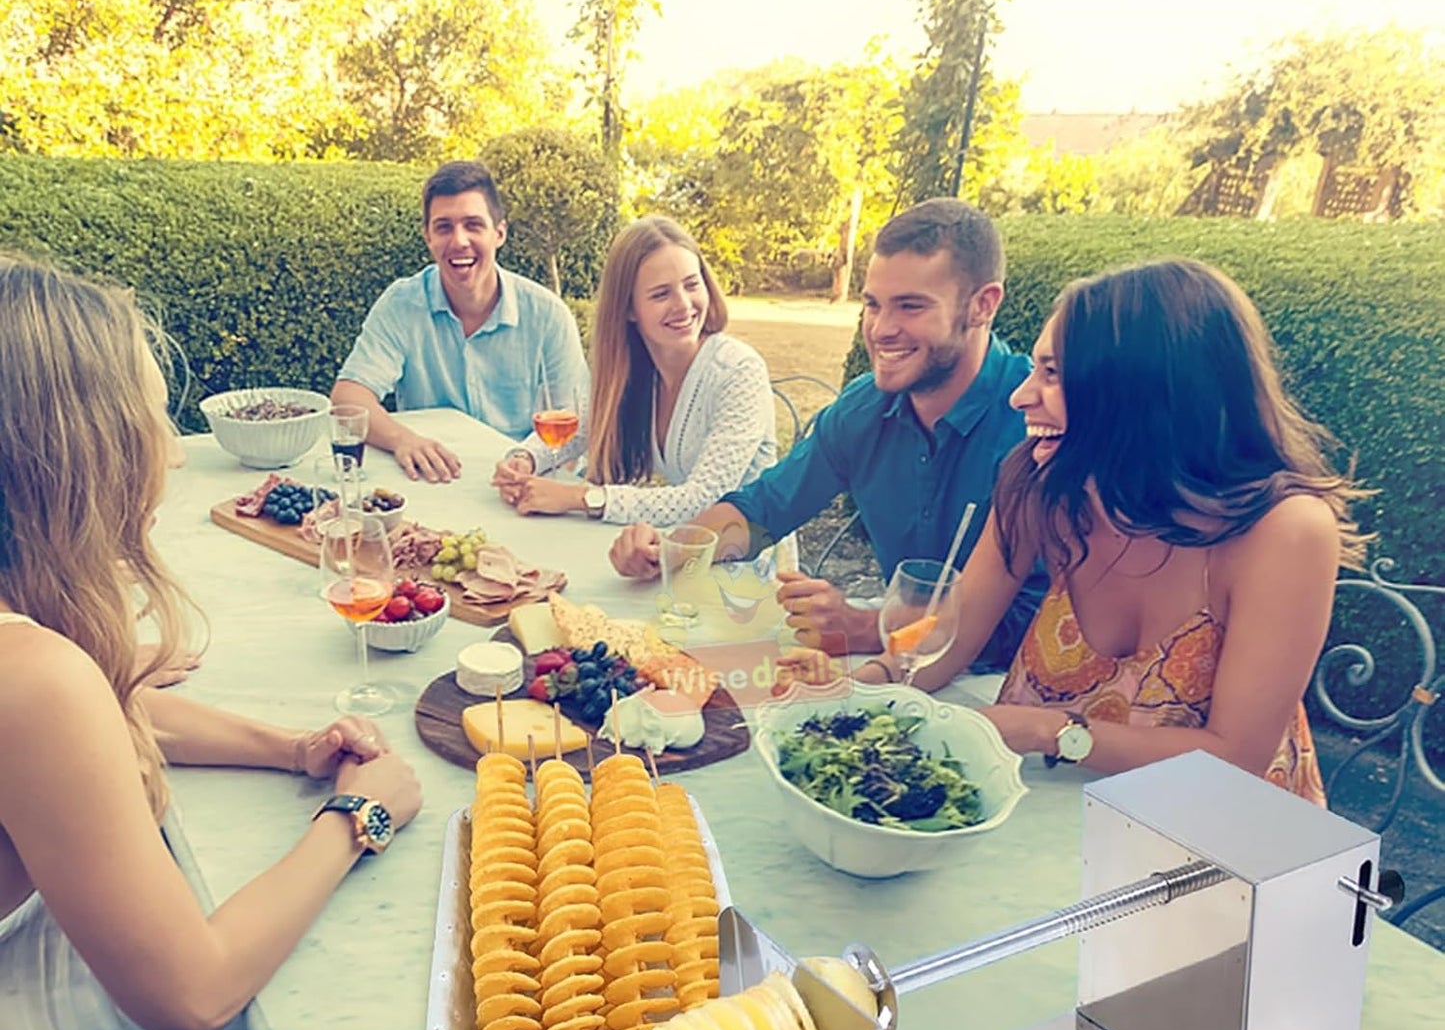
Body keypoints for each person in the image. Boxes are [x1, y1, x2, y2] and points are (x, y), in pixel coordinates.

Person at [0, 254, 423, 1030]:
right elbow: (191, 994)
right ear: (82, 447)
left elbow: (90, 729)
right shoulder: (30, 681)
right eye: (150, 412)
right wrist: (359, 817)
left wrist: (288, 746)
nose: (165, 443)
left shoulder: (37, 654)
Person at [851, 258, 1364, 799]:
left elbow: (1235, 756)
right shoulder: (1040, 480)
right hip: (1046, 812)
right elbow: (949, 641)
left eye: (1051, 375)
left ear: (1141, 394)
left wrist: (1045, 731)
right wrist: (857, 685)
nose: (1020, 396)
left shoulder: (1285, 531)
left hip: (1216, 843)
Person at [608, 198, 1047, 671]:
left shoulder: (1036, 427)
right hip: (896, 669)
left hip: (1013, 692)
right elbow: (764, 511)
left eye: (910, 307)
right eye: (873, 305)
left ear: (983, 305)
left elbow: (1042, 619)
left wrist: (863, 626)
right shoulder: (863, 411)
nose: (881, 330)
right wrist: (675, 548)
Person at [490, 215, 776, 527]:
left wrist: (579, 498)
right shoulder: (637, 368)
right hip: (687, 548)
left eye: (692, 285)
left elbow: (704, 500)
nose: (683, 305)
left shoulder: (738, 371)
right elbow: (580, 428)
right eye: (661, 294)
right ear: (628, 309)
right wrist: (524, 459)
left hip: (750, 559)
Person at [330, 160, 590, 484]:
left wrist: (525, 461)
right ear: (428, 237)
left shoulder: (547, 315)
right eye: (443, 227)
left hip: (526, 485)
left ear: (499, 233)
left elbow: (576, 424)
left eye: (473, 225)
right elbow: (347, 398)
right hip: (435, 482)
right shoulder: (401, 305)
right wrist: (403, 440)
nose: (459, 241)